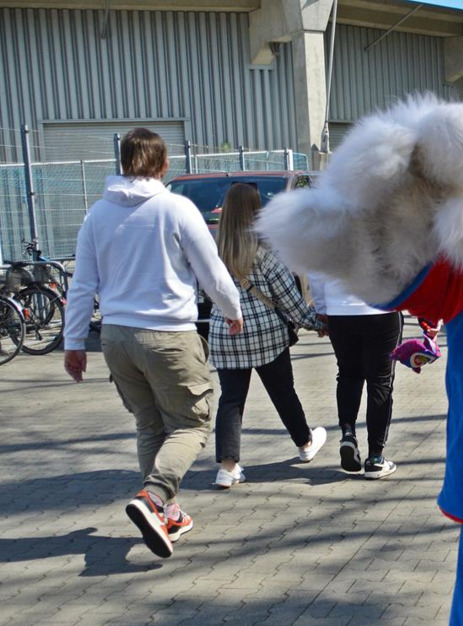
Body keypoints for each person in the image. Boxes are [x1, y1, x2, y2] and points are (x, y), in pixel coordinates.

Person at [63, 127, 244, 558]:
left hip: (116, 338)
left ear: (123, 163)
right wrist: (232, 309)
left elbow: (82, 284)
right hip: (168, 335)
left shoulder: (97, 215)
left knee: (150, 426)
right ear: (163, 165)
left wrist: (73, 342)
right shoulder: (176, 209)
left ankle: (168, 514)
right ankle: (155, 497)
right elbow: (211, 271)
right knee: (191, 424)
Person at [208, 183, 327, 489]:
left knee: (231, 400)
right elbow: (290, 300)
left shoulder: (214, 254)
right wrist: (316, 323)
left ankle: (227, 467)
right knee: (283, 392)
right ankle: (304, 443)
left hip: (225, 334)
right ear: (255, 211)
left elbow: (207, 292)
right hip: (265, 335)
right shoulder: (264, 253)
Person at [310, 274, 401, 478]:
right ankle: (375, 458)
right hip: (381, 308)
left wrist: (321, 307)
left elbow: (315, 270)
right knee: (380, 381)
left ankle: (348, 433)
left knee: (348, 375)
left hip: (339, 310)